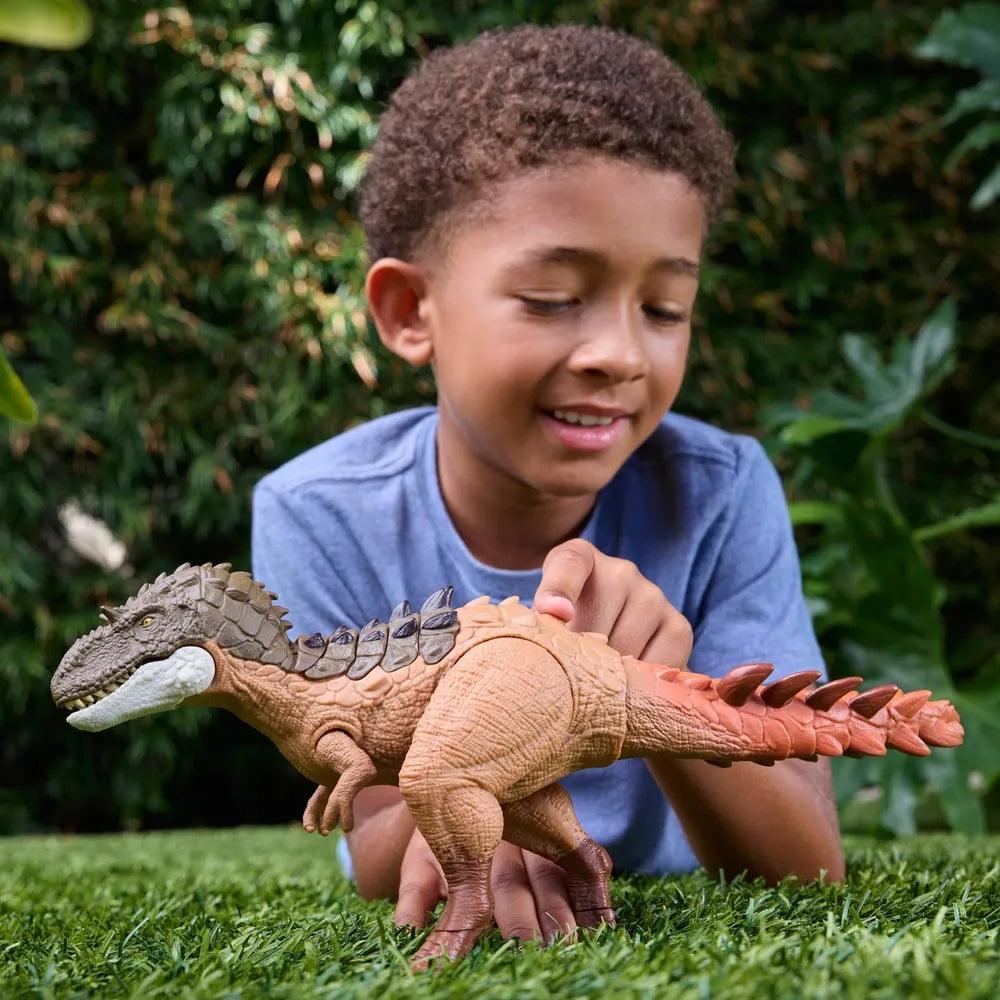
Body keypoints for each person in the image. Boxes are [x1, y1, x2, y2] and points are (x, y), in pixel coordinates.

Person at [252, 22, 844, 945]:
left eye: (665, 309)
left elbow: (805, 867)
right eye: (552, 299)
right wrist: (483, 781)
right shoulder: (316, 512)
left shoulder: (723, 492)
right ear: (411, 311)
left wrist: (654, 687)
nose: (619, 353)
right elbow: (373, 844)